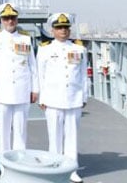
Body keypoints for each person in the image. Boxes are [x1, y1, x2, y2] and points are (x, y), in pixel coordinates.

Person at [37, 13, 88, 183]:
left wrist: (84, 97)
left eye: (66, 27)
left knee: (72, 137)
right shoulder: (45, 49)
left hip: (73, 98)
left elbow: (83, 75)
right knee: (55, 137)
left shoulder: (79, 49)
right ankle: (55, 167)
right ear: (52, 30)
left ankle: (71, 170)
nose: (63, 31)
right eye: (59, 28)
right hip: (52, 99)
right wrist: (41, 98)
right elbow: (40, 75)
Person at [0, 3, 38, 155]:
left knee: (21, 131)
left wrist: (35, 89)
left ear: (17, 19)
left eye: (13, 18)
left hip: (22, 91)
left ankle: (20, 162)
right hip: (2, 92)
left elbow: (32, 66)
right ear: (1, 20)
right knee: (3, 131)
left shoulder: (25, 39)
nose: (10, 21)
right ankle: (4, 165)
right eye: (6, 18)